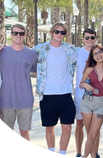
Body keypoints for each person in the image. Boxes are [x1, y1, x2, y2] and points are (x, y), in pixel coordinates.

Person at [33, 22, 78, 158]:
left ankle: (62, 154)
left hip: (65, 94)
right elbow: (22, 54)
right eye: (57, 32)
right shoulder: (40, 49)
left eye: (62, 32)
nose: (59, 34)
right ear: (52, 33)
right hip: (47, 95)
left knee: (67, 127)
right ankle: (51, 152)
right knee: (49, 127)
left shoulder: (70, 49)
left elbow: (89, 53)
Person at [0, 24, 37, 143]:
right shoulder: (1, 53)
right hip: (5, 100)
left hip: (25, 100)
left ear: (25, 35)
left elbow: (38, 74)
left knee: (24, 132)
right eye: (15, 33)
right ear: (11, 34)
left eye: (21, 33)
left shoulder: (32, 54)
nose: (18, 36)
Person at [74, 29, 99, 158]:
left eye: (92, 37)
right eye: (87, 37)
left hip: (96, 95)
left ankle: (95, 153)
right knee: (79, 124)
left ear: (95, 39)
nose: (90, 39)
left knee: (96, 126)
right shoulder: (77, 53)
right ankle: (79, 152)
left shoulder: (99, 53)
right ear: (83, 38)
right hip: (80, 94)